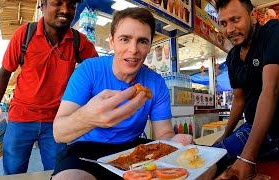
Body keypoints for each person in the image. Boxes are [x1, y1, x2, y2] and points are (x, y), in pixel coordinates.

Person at [51, 7, 194, 180]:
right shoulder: (88, 70)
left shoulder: (156, 83)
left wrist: (178, 140)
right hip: (86, 149)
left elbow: (164, 135)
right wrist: (88, 118)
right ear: (112, 42)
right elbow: (59, 133)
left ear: (149, 45)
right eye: (124, 39)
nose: (133, 50)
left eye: (142, 41)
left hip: (134, 150)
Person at [0, 0, 98, 175]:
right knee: (14, 174)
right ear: (43, 5)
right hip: (20, 119)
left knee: (57, 172)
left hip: (57, 122)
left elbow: (97, 72)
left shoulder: (78, 41)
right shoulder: (24, 35)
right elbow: (4, 73)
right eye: (57, 3)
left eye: (71, 5)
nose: (65, 10)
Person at [213, 0, 279, 179]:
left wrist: (247, 158)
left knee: (211, 160)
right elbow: (239, 100)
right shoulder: (233, 57)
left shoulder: (273, 32)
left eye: (235, 19)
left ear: (254, 16)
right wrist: (226, 134)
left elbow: (270, 90)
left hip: (278, 132)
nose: (229, 29)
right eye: (224, 23)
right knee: (211, 155)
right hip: (250, 127)